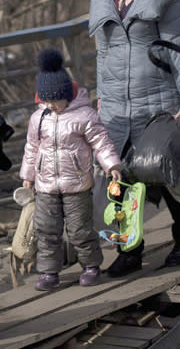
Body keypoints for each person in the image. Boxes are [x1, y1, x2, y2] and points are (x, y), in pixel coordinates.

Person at [88, 0, 180, 274]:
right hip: (115, 107)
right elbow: (102, 54)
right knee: (118, 182)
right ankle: (130, 250)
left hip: (156, 101)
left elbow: (176, 49)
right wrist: (101, 101)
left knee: (162, 173)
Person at [21, 49, 122, 290]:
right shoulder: (38, 118)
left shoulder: (84, 116)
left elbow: (101, 141)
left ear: (66, 95)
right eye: (46, 101)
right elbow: (32, 147)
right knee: (46, 229)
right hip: (45, 185)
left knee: (79, 229)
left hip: (77, 183)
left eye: (56, 100)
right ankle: (48, 271)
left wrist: (112, 164)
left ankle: (90, 265)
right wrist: (27, 175)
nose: (51, 106)